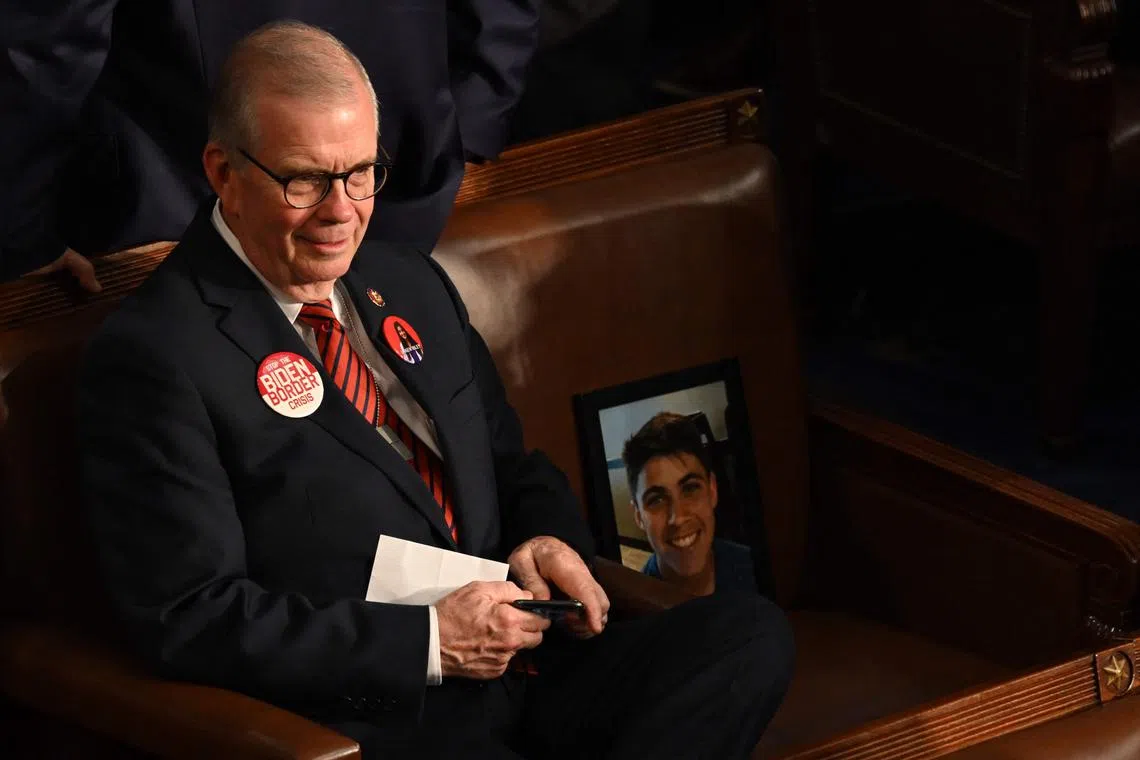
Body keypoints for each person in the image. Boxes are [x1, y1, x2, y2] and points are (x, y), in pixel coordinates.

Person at [77, 23, 793, 760]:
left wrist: (549, 540)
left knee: (748, 637)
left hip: (531, 662)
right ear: (223, 172)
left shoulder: (410, 281)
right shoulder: (156, 355)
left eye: (360, 174)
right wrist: (428, 644)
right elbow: (195, 618)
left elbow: (511, 465)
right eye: (305, 180)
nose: (341, 210)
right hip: (387, 710)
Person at [0, 0, 539, 283]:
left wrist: (19, 229)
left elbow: (46, 44)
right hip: (188, 216)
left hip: (190, 219)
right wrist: (471, 116)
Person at [622, 412, 759, 596]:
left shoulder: (755, 571)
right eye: (657, 500)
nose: (677, 518)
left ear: (712, 490)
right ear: (638, 516)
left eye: (690, 489)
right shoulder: (635, 610)